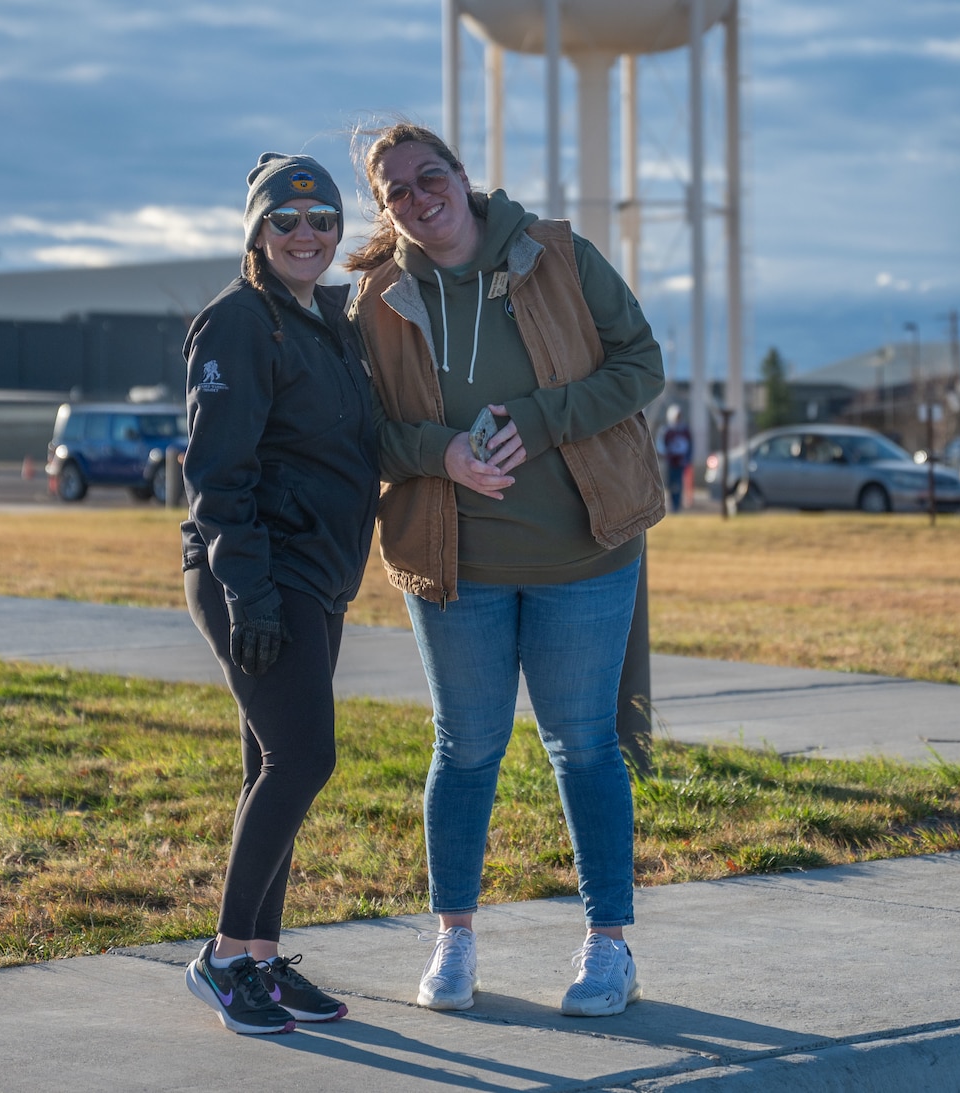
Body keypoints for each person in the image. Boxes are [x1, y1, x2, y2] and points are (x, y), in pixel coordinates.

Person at [345, 123, 665, 1019]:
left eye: (429, 175)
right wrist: (440, 452)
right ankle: (453, 936)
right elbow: (363, 430)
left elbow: (643, 364)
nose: (417, 196)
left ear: (462, 175)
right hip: (455, 567)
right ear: (384, 208)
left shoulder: (556, 254)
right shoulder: (376, 301)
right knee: (467, 747)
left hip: (586, 555)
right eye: (395, 190)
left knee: (584, 744)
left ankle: (609, 946)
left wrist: (546, 416)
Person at [179, 153, 380, 1036]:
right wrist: (249, 596)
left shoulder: (325, 319)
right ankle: (224, 958)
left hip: (319, 572)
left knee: (274, 764)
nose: (307, 235)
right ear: (257, 232)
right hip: (258, 570)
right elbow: (217, 477)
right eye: (287, 220)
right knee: (303, 757)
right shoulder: (236, 322)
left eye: (324, 220)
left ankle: (262, 958)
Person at [658, 404, 693, 511]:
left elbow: (690, 446)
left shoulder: (685, 431)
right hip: (670, 462)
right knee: (671, 483)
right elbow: (660, 444)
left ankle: (677, 505)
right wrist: (665, 454)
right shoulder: (666, 431)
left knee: (679, 483)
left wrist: (687, 458)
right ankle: (673, 504)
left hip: (681, 462)